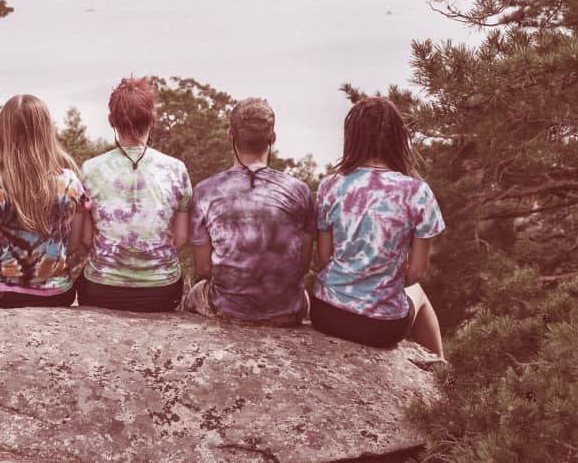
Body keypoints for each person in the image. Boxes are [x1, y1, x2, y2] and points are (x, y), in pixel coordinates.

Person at [310, 96, 445, 357]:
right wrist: (380, 281)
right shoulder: (417, 192)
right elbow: (416, 273)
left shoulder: (330, 185)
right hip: (381, 327)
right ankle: (441, 371)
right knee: (419, 294)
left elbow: (324, 259)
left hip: (326, 313)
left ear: (352, 137)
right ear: (398, 139)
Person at [0, 94, 88, 313]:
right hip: (58, 295)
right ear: (46, 132)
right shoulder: (70, 181)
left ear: (3, 133)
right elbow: (74, 244)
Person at [185, 97, 314, 326]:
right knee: (304, 295)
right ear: (272, 138)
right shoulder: (300, 191)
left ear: (229, 136)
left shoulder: (205, 191)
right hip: (287, 310)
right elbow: (302, 266)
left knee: (195, 292)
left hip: (227, 308)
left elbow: (204, 268)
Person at [78, 76, 191, 312]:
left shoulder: (90, 169)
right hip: (162, 290)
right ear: (152, 120)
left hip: (102, 289)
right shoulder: (176, 169)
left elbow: (86, 240)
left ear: (112, 121)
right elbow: (181, 239)